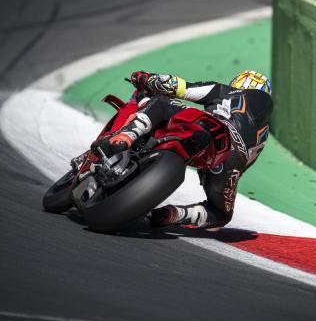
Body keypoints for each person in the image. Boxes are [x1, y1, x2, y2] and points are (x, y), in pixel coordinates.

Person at [91, 70, 273, 230]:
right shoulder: (263, 136)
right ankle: (175, 214)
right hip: (226, 164)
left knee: (161, 102)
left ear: (238, 83)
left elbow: (180, 87)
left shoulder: (226, 91)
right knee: (221, 215)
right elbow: (244, 164)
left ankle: (127, 136)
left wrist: (146, 78)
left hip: (210, 128)